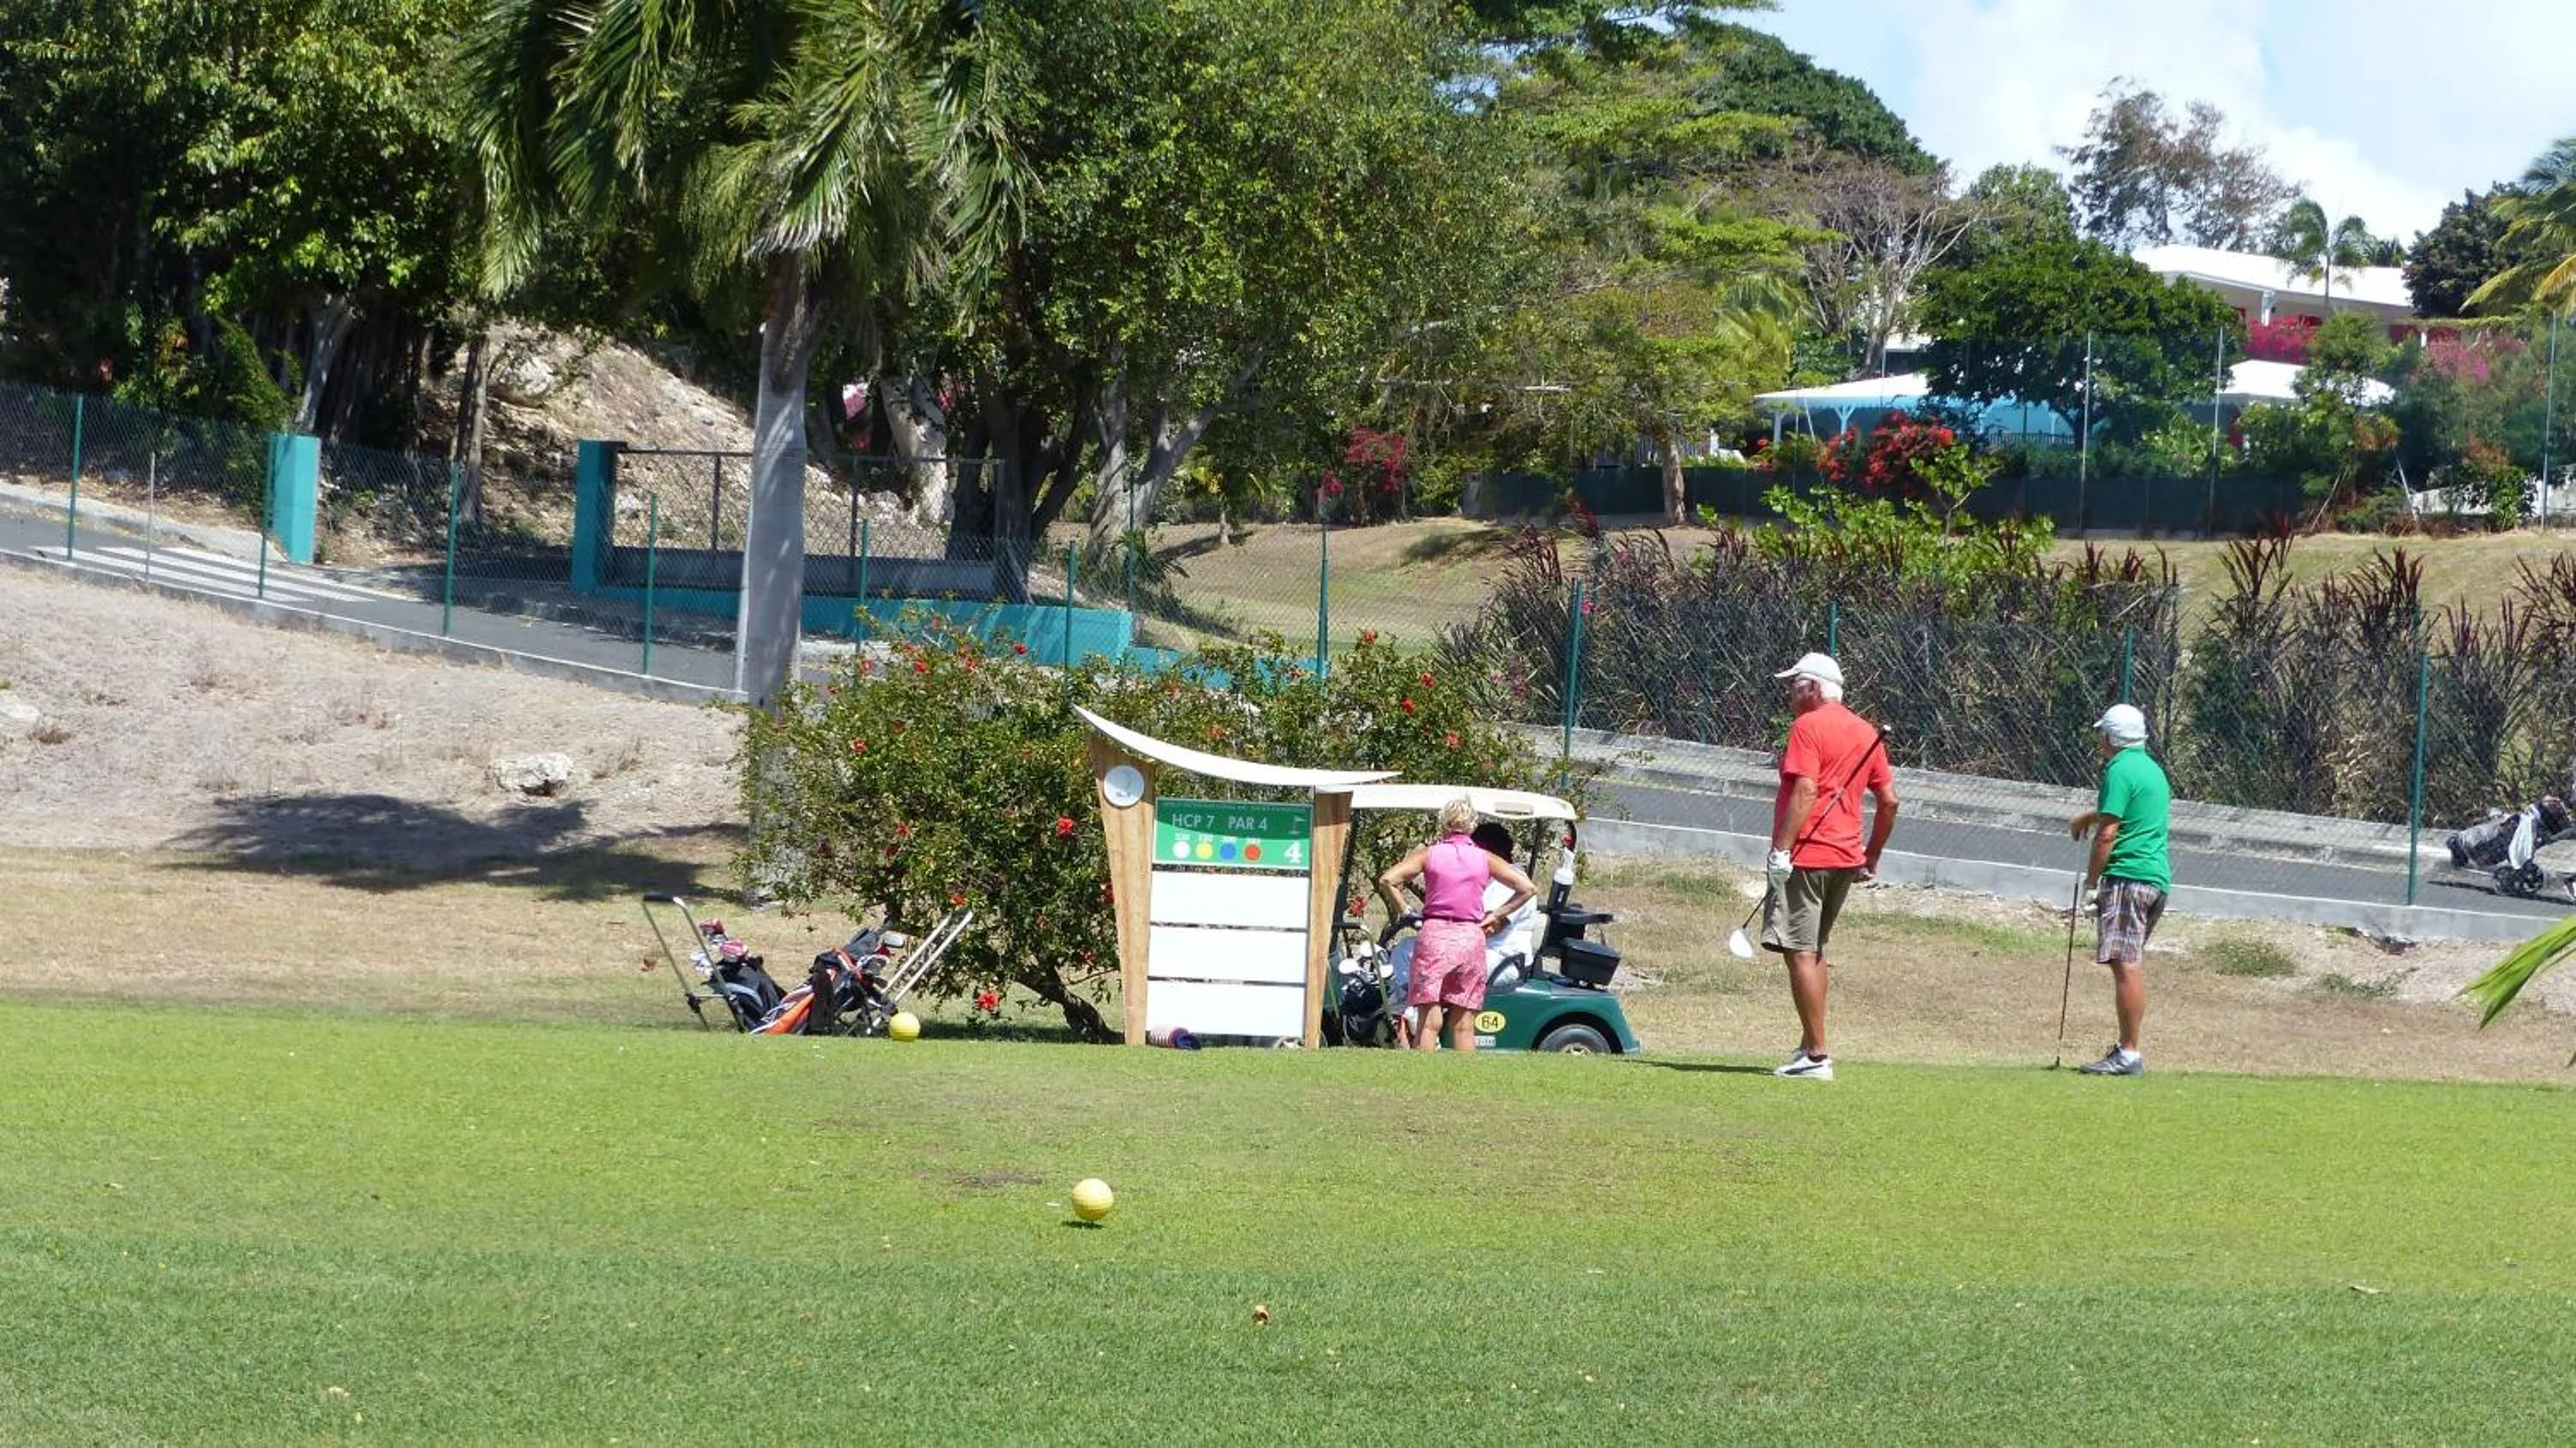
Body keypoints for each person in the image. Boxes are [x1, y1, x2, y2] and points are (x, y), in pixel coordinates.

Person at [1762, 652, 1899, 1081]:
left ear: (1815, 689)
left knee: (1799, 951)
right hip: (1845, 857)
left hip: (1807, 855)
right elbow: (1890, 801)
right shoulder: (1865, 731)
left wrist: (1782, 850)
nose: (1790, 692)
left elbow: (1805, 789)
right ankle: (1810, 1045)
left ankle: (1817, 1055)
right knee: (1813, 950)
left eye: (1796, 685)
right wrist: (1871, 854)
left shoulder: (1807, 726)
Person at [1377, 798, 1537, 1054]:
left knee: (1428, 1021)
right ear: (1471, 825)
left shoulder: (1430, 854)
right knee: (1464, 1024)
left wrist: (1405, 910)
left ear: (1444, 823)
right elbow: (1527, 889)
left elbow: (1387, 879)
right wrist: (1497, 915)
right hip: (1470, 937)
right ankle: (1464, 1080)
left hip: (1436, 935)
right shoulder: (1484, 858)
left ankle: (1423, 1071)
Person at [2068, 703, 2172, 1077]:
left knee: (2125, 965)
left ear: (2110, 737)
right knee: (2127, 962)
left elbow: (2108, 835)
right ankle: (2128, 1048)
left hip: (2128, 877)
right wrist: (2088, 815)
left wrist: (2093, 884)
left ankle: (2129, 1054)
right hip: (2156, 879)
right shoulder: (2151, 770)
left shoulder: (2118, 769)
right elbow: (2123, 812)